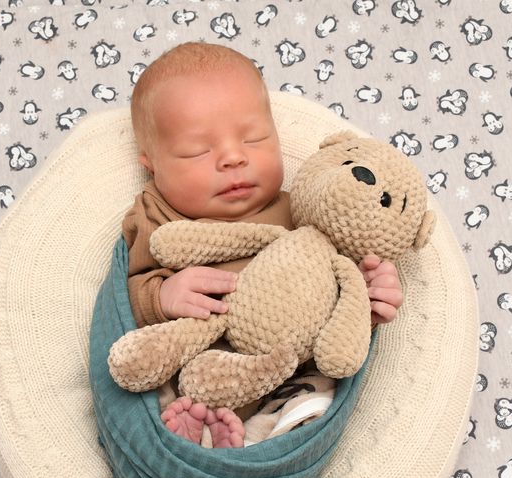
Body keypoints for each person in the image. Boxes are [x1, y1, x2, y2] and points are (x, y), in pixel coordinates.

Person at [123, 42, 403, 448]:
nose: (233, 158)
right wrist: (162, 296)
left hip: (287, 370)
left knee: (316, 386)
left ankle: (265, 438)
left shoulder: (301, 212)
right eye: (198, 150)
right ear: (151, 166)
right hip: (197, 363)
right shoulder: (157, 216)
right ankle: (197, 434)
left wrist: (371, 295)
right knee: (151, 375)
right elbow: (126, 293)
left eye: (254, 139)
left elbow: (335, 287)